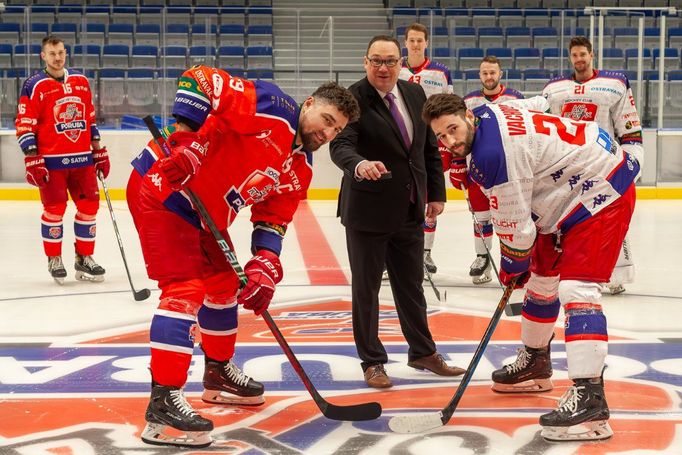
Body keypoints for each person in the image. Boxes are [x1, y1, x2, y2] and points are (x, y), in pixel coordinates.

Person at [126, 66, 359, 448]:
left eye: (337, 130)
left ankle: (216, 373)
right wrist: (185, 144)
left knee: (223, 286)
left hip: (205, 214)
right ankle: (162, 403)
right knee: (184, 288)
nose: (328, 133)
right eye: (327, 121)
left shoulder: (300, 168)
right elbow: (199, 78)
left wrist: (265, 266)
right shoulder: (274, 107)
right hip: (163, 187)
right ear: (310, 103)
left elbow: (273, 220)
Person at [422, 93, 638, 441]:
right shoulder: (488, 111)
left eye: (453, 130)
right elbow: (537, 105)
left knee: (576, 289)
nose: (450, 141)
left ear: (467, 115)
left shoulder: (492, 156)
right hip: (569, 190)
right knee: (541, 280)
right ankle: (536, 362)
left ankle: (591, 401)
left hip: (602, 190)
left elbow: (518, 233)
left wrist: (510, 268)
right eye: (442, 137)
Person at [329, 35, 465, 390]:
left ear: (401, 63)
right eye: (376, 61)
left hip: (409, 209)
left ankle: (423, 352)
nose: (383, 68)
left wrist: (435, 193)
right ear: (365, 62)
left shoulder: (416, 95)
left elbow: (428, 150)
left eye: (390, 61)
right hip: (367, 211)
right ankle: (372, 361)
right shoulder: (354, 98)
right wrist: (358, 165)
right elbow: (340, 144)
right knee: (367, 290)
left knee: (411, 287)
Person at [542, 36, 643, 295]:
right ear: (570, 57)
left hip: (604, 162)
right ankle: (574, 269)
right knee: (573, 218)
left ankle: (617, 273)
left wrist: (633, 162)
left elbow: (628, 126)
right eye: (574, 55)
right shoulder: (555, 88)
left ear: (591, 55)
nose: (579, 59)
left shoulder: (614, 83)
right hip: (569, 164)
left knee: (610, 216)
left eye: (583, 55)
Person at [16, 35, 109, 284]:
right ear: (43, 56)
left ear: (65, 53)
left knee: (89, 209)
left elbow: (89, 119)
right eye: (52, 53)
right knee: (54, 211)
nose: (57, 58)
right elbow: (25, 125)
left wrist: (98, 150)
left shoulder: (80, 81)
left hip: (82, 161)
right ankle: (54, 259)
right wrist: (32, 158)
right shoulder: (33, 85)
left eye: (60, 53)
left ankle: (84, 257)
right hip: (52, 162)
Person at [460, 56, 525, 285]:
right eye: (485, 73)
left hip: (510, 170)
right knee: (481, 216)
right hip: (477, 168)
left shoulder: (515, 99)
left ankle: (516, 262)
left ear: (500, 74)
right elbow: (460, 135)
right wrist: (458, 165)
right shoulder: (468, 101)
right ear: (480, 75)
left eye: (493, 73)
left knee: (512, 218)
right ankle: (482, 258)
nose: (489, 77)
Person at [398, 22, 453, 276]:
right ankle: (397, 253)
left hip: (430, 145)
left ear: (426, 43)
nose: (416, 44)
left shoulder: (440, 73)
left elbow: (449, 108)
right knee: (401, 196)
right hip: (400, 143)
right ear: (405, 42)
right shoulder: (395, 69)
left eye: (420, 40)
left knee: (429, 197)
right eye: (412, 40)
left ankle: (425, 252)